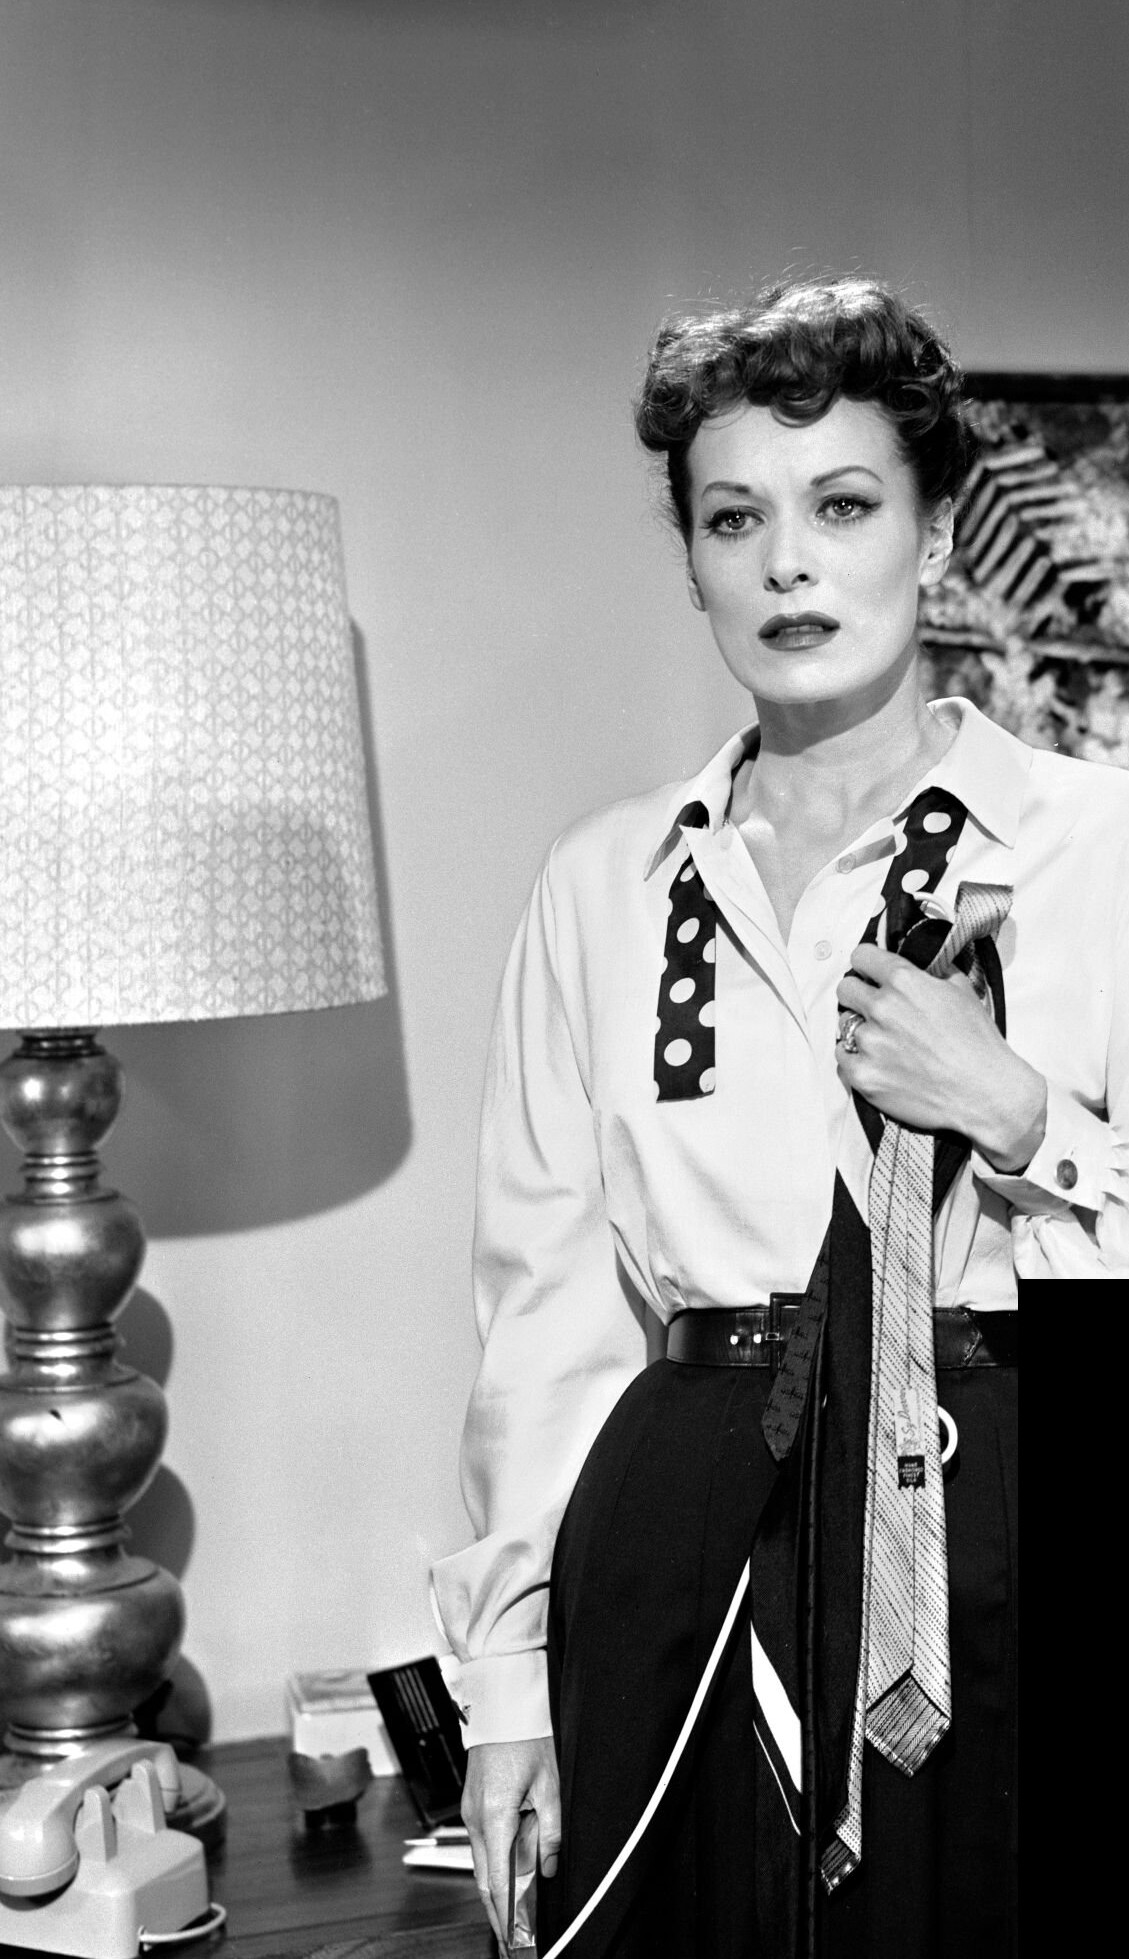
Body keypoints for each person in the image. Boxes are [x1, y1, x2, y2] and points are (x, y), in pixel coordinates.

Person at [431, 276, 1129, 1958]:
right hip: (678, 1521)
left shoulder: (1098, 850)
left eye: (842, 507)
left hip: (998, 1504)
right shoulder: (602, 883)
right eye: (734, 518)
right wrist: (504, 1685)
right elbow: (541, 1316)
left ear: (933, 536)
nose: (787, 565)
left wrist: (1019, 1114)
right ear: (691, 561)